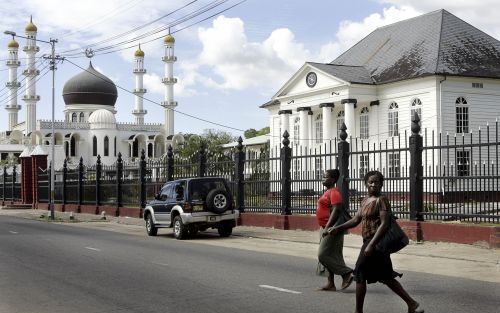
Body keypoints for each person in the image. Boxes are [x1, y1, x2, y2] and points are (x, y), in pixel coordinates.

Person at [327, 170, 424, 313]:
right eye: (370, 182)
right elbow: (356, 219)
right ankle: (411, 303)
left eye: (376, 182)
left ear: (381, 185)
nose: (373, 184)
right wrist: (338, 228)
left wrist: (371, 245)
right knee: (386, 276)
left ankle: (358, 311)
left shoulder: (382, 200)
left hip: (376, 243)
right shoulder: (365, 200)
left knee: (360, 272)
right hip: (369, 242)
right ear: (366, 184)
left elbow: (384, 224)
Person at [316, 169, 354, 291]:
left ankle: (346, 273)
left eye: (325, 177)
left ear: (332, 179)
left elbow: (337, 210)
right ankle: (330, 283)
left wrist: (327, 228)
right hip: (324, 228)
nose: (322, 178)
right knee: (331, 254)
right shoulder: (327, 191)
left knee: (323, 255)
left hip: (331, 228)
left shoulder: (334, 192)